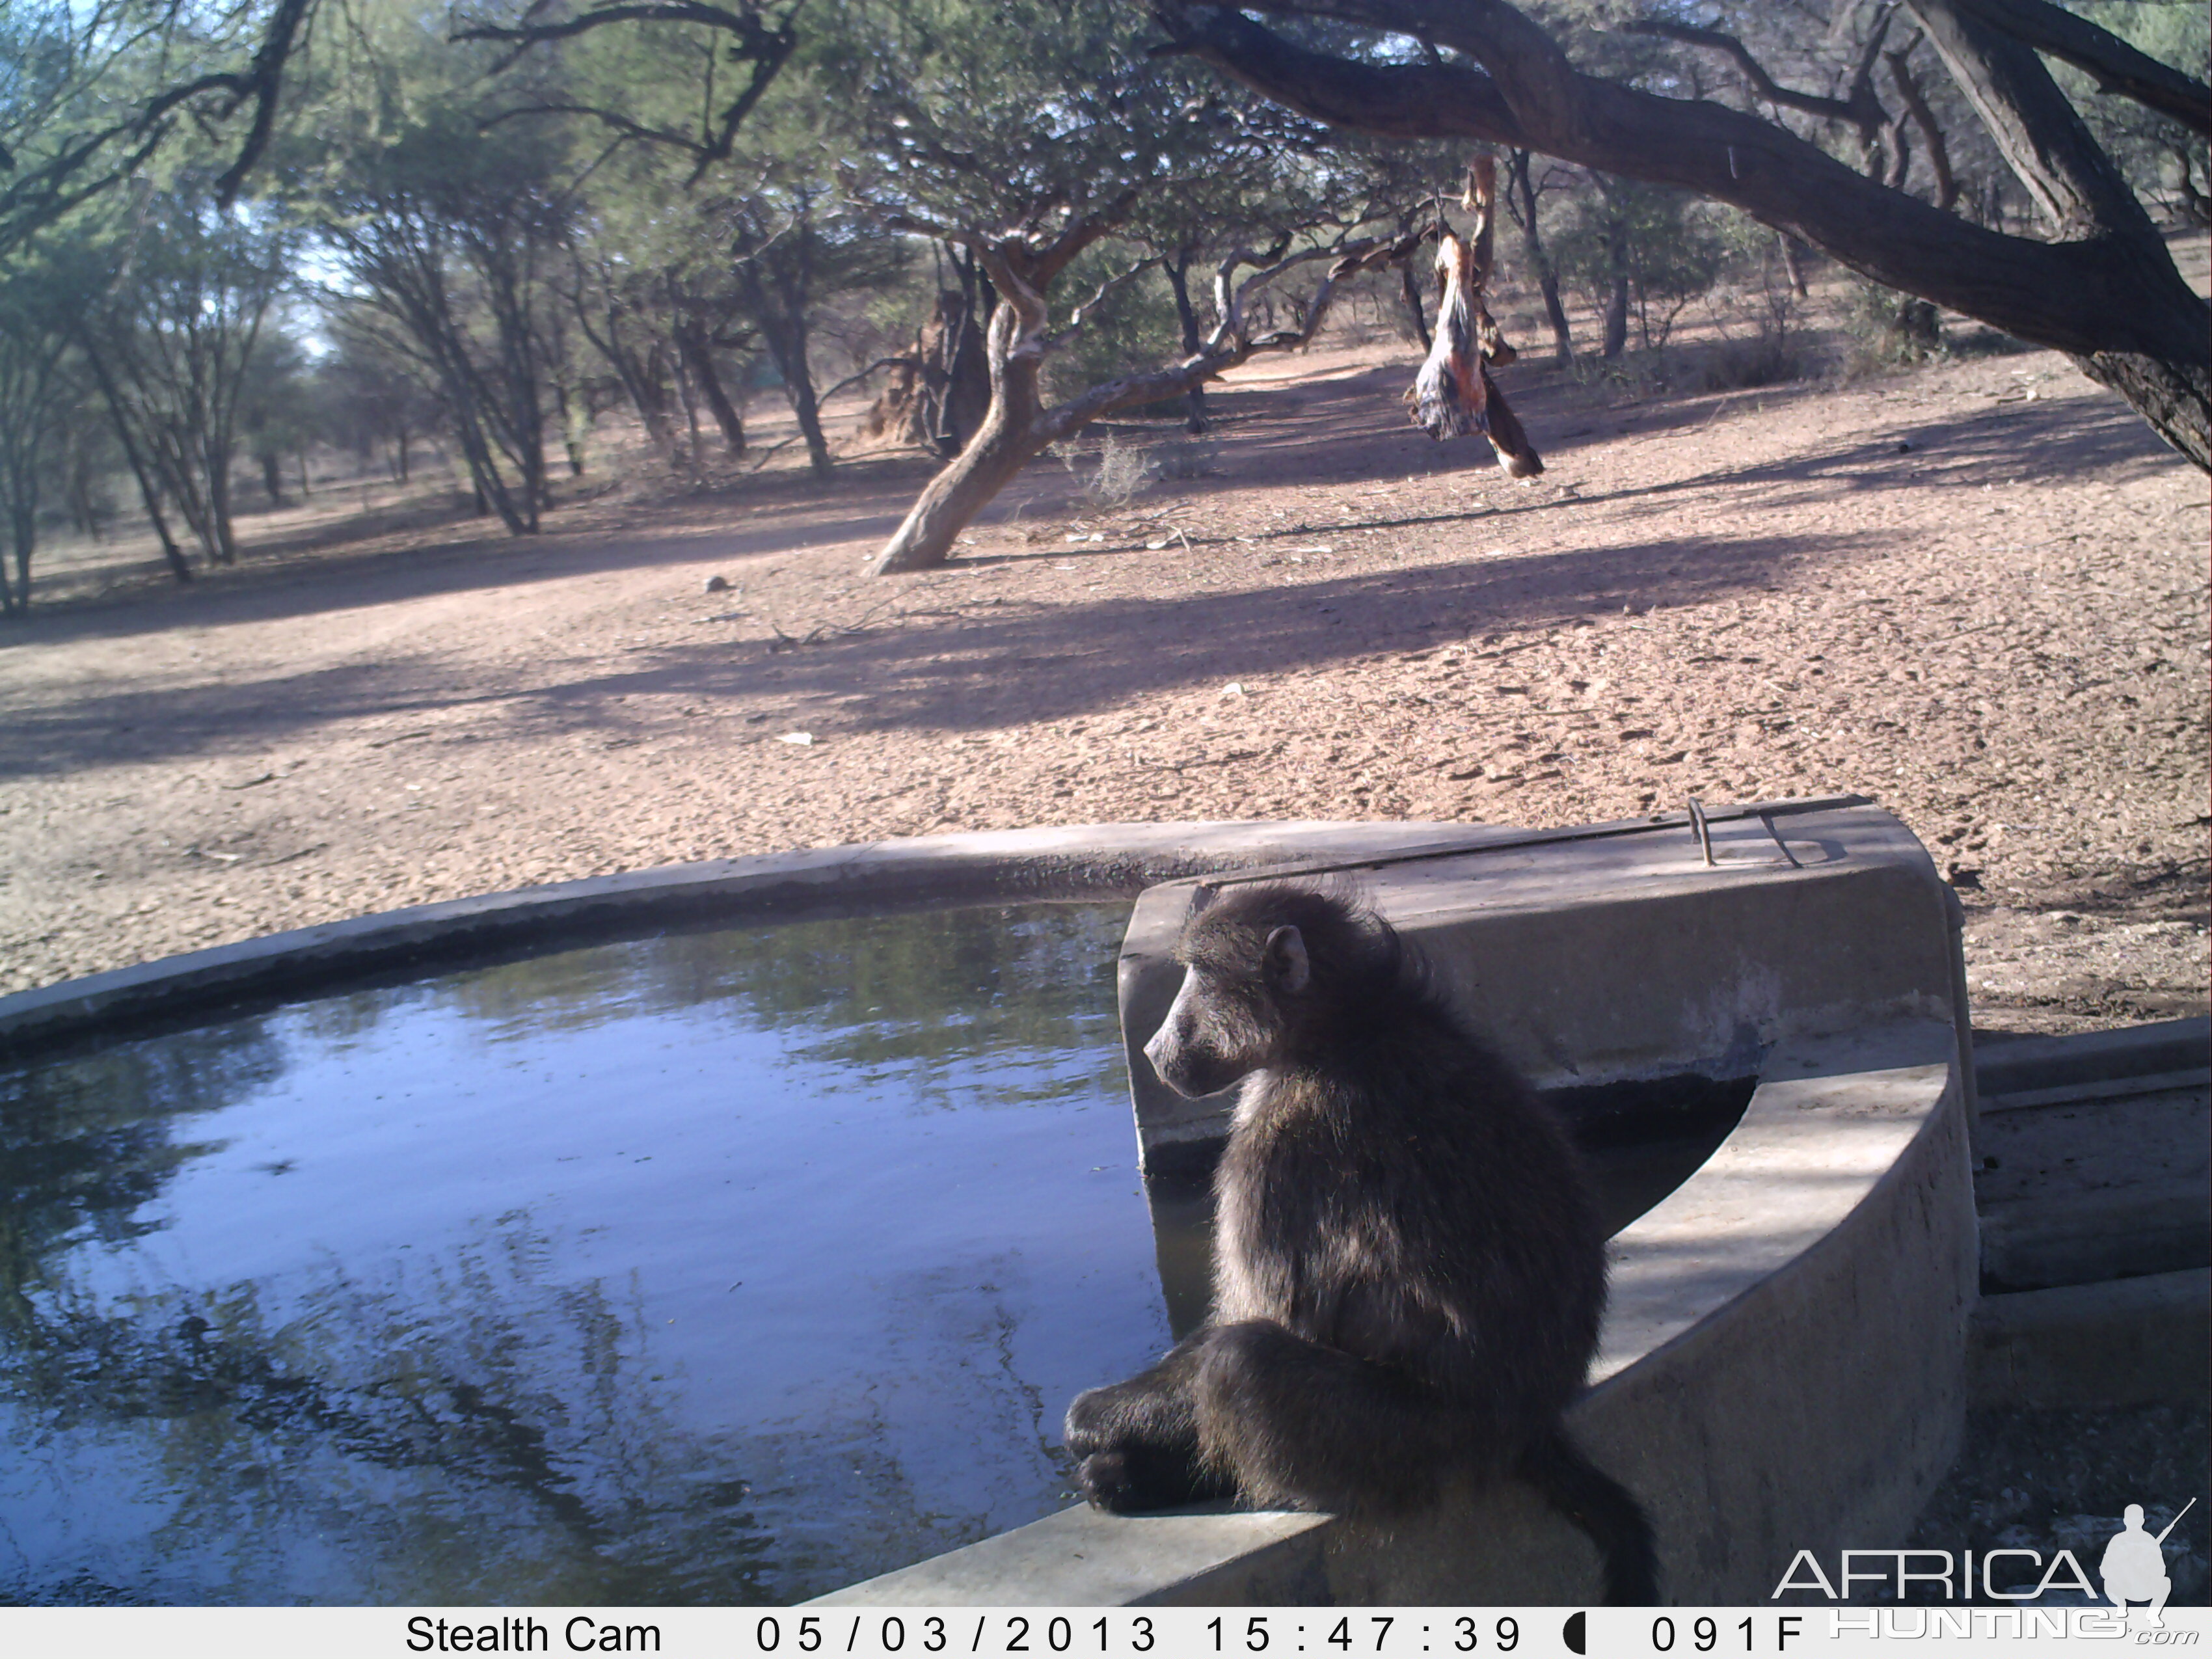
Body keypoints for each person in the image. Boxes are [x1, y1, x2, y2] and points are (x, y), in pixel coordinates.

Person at [2100, 1505, 2171, 1627]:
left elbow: (2161, 1570)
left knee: (2166, 1582)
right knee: (2108, 1583)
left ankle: (2153, 1614)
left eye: (2137, 1521)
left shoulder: (2149, 1540)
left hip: (2144, 1588)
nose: (2134, 1524)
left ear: (2142, 1521)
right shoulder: (2117, 1540)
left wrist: (2146, 1567)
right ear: (2125, 1521)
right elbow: (2104, 1570)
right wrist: (2124, 1567)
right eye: (2132, 1521)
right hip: (2122, 1589)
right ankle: (2121, 1606)